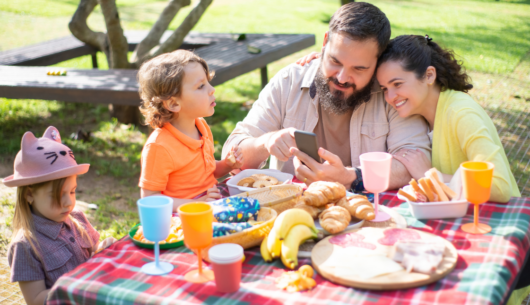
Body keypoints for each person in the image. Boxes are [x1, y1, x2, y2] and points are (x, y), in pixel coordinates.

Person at [222, 2, 431, 192]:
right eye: (335, 61)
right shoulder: (288, 81)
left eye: (358, 69)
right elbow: (230, 157)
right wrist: (265, 142)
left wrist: (351, 177)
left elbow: (414, 159)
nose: (342, 77)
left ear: (378, 62)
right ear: (325, 43)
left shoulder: (392, 93)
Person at [296, 34, 520, 202]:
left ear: (429, 75)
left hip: (499, 225)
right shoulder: (430, 112)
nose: (390, 97)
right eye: (384, 88)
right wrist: (326, 59)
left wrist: (431, 176)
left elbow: (500, 187)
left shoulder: (461, 113)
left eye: (397, 84)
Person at [4, 126, 116, 305]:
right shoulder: (26, 246)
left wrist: (102, 250)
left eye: (72, 192)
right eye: (56, 195)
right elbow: (35, 299)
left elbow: (92, 257)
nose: (68, 203)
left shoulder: (77, 218)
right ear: (29, 194)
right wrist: (75, 288)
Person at [138, 50, 244, 211]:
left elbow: (206, 172)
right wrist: (197, 205)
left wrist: (227, 165)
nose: (212, 89)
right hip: (182, 217)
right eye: (201, 86)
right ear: (173, 104)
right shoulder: (159, 146)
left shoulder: (200, 126)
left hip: (210, 203)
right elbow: (150, 198)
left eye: (208, 82)